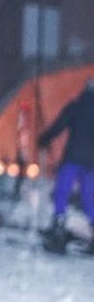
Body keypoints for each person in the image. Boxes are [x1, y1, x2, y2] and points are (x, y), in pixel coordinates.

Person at [38, 79, 94, 255]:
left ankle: (58, 224)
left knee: (62, 191)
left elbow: (59, 125)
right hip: (91, 163)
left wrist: (45, 138)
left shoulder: (75, 107)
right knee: (89, 197)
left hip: (73, 158)